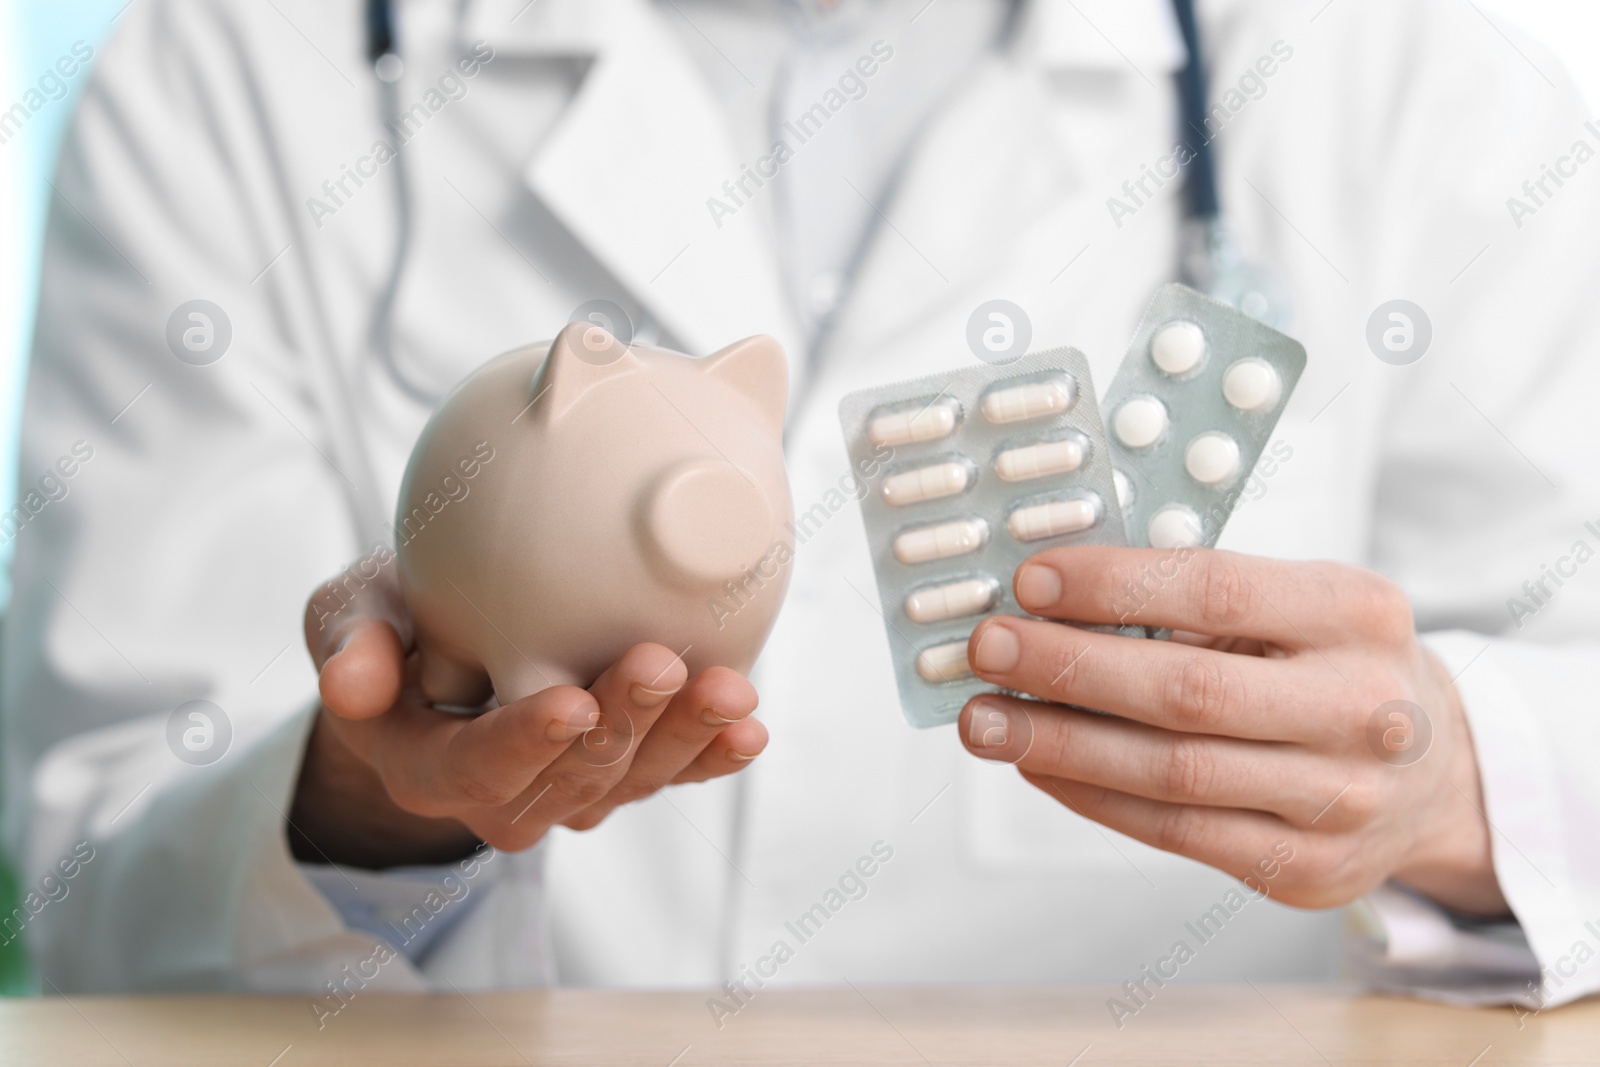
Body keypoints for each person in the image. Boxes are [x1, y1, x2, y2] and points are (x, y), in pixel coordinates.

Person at [5, 0, 1598, 1011]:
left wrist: (1459, 787)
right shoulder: (229, 69)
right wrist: (361, 808)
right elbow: (91, 908)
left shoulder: (1402, 80)